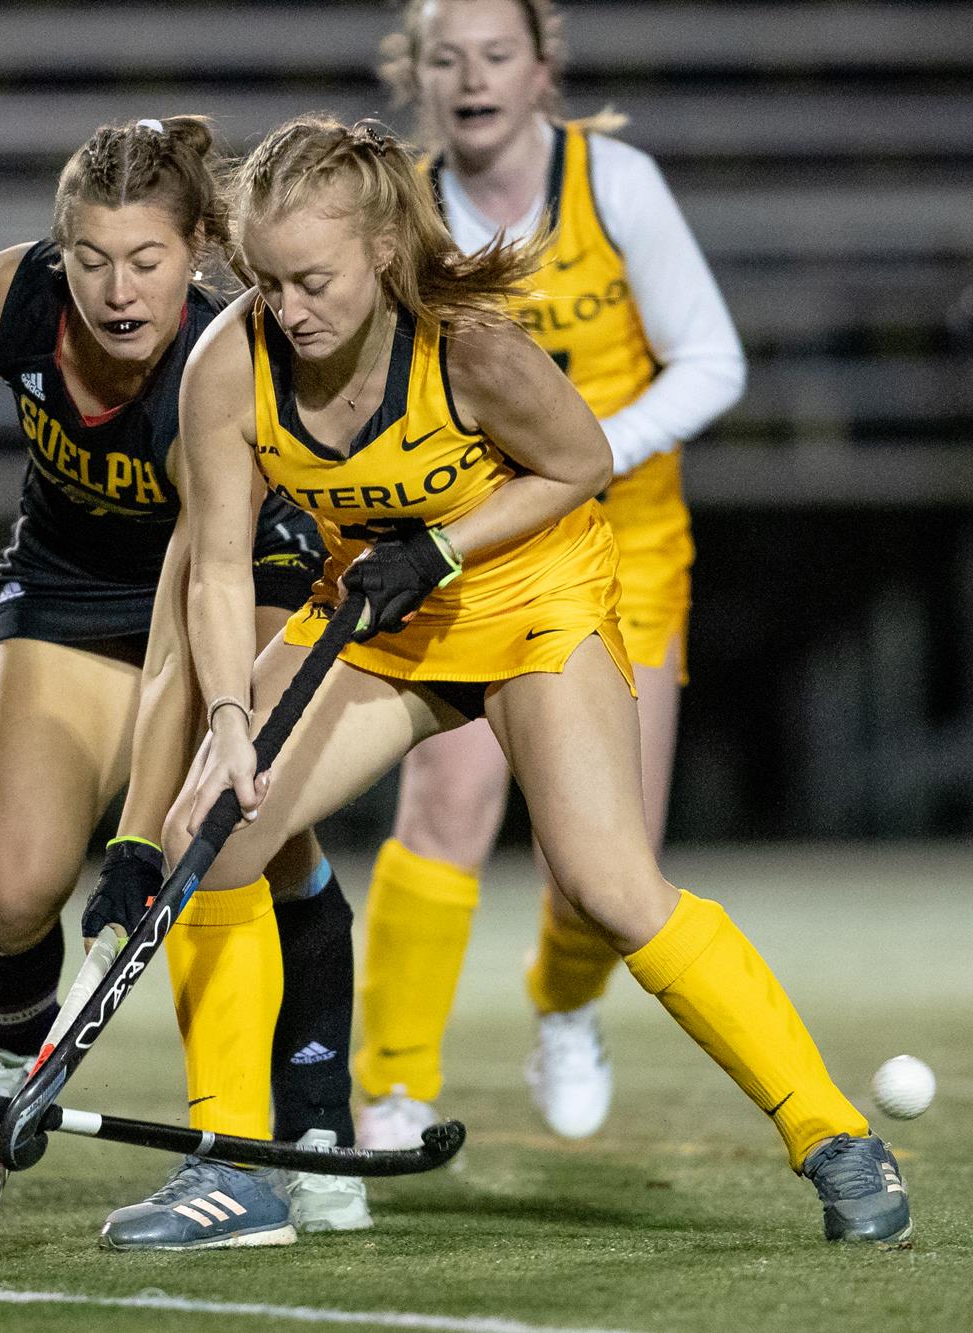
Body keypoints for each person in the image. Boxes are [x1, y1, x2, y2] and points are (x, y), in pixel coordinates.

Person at [110, 112, 907, 1247]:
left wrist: (437, 548)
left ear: (382, 253)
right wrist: (229, 717)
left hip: (533, 607)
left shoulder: (469, 347)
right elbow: (216, 564)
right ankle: (238, 1169)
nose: (288, 310)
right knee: (216, 827)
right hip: (382, 622)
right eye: (268, 281)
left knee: (606, 884)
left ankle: (832, 1132)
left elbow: (579, 462)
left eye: (314, 281)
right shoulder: (225, 366)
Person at [0, 116, 366, 1246]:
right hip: (62, 589)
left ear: (200, 250)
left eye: (147, 261)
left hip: (225, 578)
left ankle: (309, 1122)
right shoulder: (4, 299)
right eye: (93, 259)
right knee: (11, 896)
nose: (118, 290)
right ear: (58, 250)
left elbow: (186, 603)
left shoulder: (220, 370)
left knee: (245, 830)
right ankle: (11, 1037)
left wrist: (132, 847)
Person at [352, 0, 747, 1151]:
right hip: (472, 554)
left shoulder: (613, 183)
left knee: (607, 865)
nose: (471, 77)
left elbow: (711, 360)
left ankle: (564, 1010)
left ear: (541, 71)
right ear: (415, 77)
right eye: (445, 57)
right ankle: (389, 1088)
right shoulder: (402, 214)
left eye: (495, 53)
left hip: (625, 555)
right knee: (445, 806)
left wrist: (579, 456)